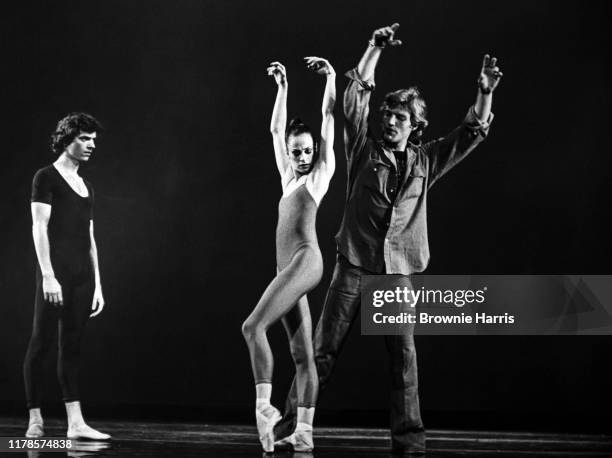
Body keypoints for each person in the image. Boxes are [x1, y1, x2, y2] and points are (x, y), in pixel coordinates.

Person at [276, 23, 503, 456]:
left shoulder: (425, 160)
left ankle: (410, 444)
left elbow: (471, 132)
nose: (391, 120)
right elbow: (354, 96)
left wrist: (485, 90)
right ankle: (291, 426)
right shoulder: (363, 147)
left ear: (416, 126)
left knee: (404, 362)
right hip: (354, 264)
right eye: (388, 114)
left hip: (396, 273)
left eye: (401, 117)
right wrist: (373, 47)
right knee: (321, 352)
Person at [241, 57, 336, 453]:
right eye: (296, 151)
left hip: (306, 260)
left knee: (252, 327)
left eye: (307, 150)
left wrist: (330, 77)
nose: (302, 156)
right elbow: (277, 128)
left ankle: (265, 409)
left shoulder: (319, 176)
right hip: (288, 267)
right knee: (301, 354)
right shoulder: (288, 178)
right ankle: (304, 430)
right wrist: (282, 87)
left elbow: (329, 116)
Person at [23, 113, 110, 441]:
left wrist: (98, 283)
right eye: (84, 139)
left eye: (93, 140)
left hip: (82, 278)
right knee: (41, 343)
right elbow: (39, 227)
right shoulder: (45, 177)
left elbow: (90, 237)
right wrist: (48, 275)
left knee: (71, 347)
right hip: (54, 273)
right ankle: (35, 419)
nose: (91, 145)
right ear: (67, 139)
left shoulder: (86, 185)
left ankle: (76, 423)